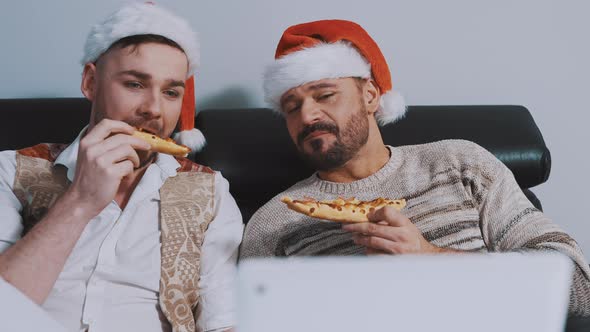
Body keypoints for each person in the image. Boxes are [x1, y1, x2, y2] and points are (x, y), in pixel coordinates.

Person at [239, 19, 590, 316]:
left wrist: (430, 257)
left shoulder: (460, 164)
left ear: (371, 96)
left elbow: (578, 286)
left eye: (325, 94)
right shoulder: (272, 224)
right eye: (291, 106)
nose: (307, 116)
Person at [0, 3, 242, 331]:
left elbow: (222, 323)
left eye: (171, 92)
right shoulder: (9, 169)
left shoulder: (211, 192)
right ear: (90, 82)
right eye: (134, 84)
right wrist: (81, 200)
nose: (154, 110)